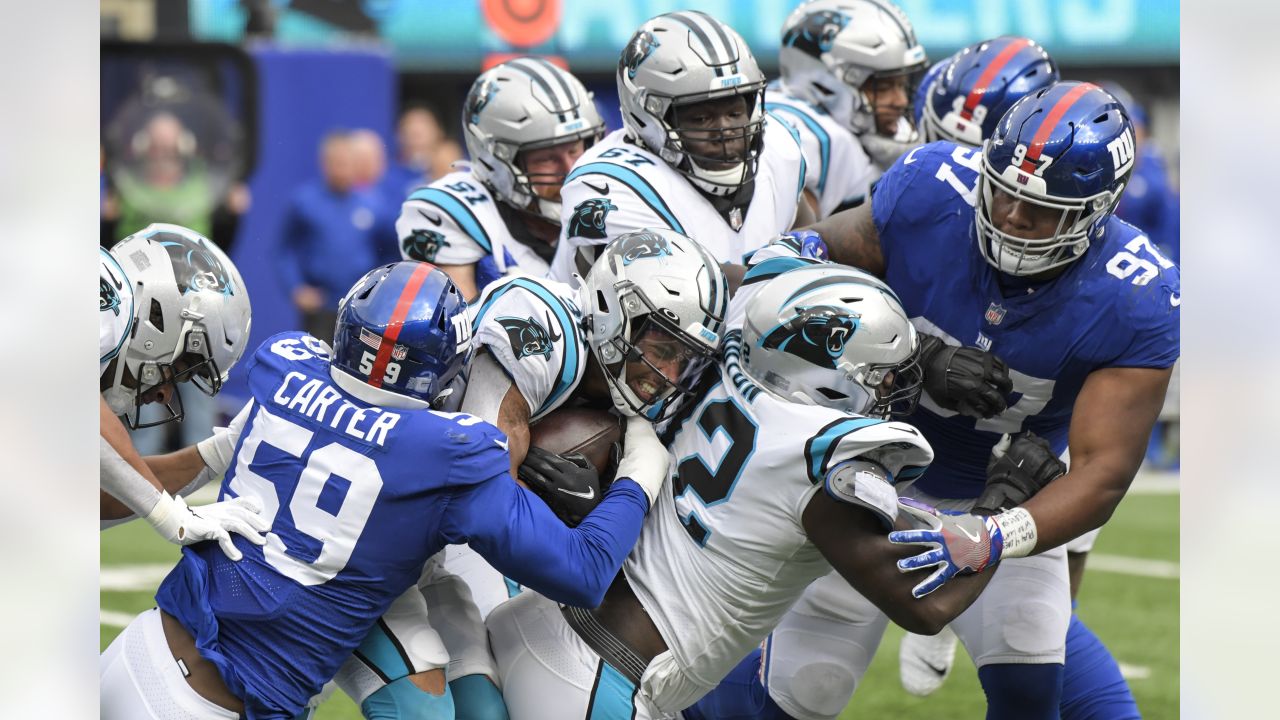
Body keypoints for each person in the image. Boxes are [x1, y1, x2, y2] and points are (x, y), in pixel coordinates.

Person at [751, 81, 1178, 720]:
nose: (1009, 217)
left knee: (1031, 667)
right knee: (806, 686)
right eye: (1002, 192)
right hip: (866, 470)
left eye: (1039, 210)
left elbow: (1102, 474)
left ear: (1097, 211)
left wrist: (997, 530)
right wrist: (917, 360)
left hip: (1005, 490)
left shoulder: (1137, 295)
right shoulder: (933, 187)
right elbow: (793, 273)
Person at [100, 260, 672, 720]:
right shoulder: (449, 452)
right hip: (220, 703)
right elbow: (584, 570)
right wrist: (640, 473)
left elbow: (235, 445)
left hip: (136, 650)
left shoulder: (283, 367)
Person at [485, 259, 1057, 719]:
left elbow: (762, 266)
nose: (890, 392)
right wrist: (1003, 507)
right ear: (832, 379)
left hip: (541, 625)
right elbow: (925, 604)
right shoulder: (821, 455)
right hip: (604, 680)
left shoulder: (723, 369)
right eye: (883, 376)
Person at [332, 230, 729, 719]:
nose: (668, 371)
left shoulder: (632, 390)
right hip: (358, 534)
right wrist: (629, 487)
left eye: (684, 357)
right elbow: (480, 483)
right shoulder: (540, 329)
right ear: (612, 309)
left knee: (485, 712)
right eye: (661, 344)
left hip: (430, 540)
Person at [548, 10, 810, 283]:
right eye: (701, 118)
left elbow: (806, 238)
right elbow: (689, 290)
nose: (726, 131)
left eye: (734, 113)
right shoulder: (608, 184)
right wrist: (798, 282)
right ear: (648, 116)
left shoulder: (780, 149)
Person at [397, 58, 606, 300]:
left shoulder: (614, 197)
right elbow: (457, 330)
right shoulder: (451, 212)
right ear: (496, 158)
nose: (570, 170)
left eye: (575, 150)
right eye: (547, 158)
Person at [767, 0, 924, 218]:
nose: (900, 100)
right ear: (824, 81)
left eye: (902, 83)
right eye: (883, 87)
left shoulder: (890, 126)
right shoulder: (805, 136)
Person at [276, 131, 399, 344]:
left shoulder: (374, 204)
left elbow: (391, 252)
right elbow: (284, 250)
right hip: (321, 308)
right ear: (324, 163)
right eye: (335, 162)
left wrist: (378, 291)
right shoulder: (304, 201)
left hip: (361, 310)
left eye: (346, 162)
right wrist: (295, 288)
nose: (341, 169)